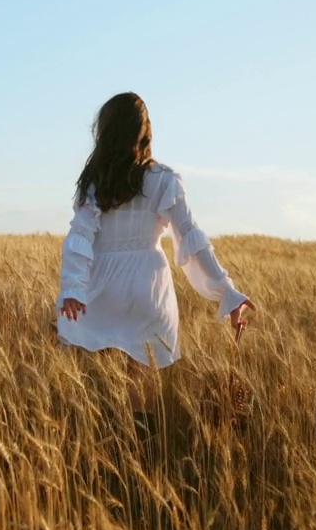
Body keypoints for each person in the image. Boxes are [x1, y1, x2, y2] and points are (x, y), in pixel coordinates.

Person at [55, 92, 255, 383]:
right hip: (147, 291)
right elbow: (190, 237)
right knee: (142, 394)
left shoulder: (95, 183)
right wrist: (227, 292)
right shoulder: (165, 179)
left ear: (105, 132)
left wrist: (73, 287)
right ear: (145, 132)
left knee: (94, 389)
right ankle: (142, 429)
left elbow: (80, 237)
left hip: (99, 292)